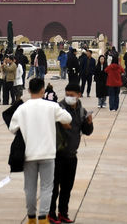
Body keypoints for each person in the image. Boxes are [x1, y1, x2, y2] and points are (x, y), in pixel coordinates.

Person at [8, 77, 72, 224]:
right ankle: (43, 217)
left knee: (29, 187)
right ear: (43, 89)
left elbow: (12, 128)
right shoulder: (51, 106)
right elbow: (67, 118)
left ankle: (31, 217)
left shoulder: (22, 108)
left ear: (29, 90)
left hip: (29, 153)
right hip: (48, 153)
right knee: (47, 187)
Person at [48, 82, 93, 224]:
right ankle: (51, 214)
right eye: (67, 95)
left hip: (72, 155)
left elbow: (87, 131)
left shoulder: (81, 111)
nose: (68, 97)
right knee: (54, 187)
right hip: (57, 155)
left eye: (71, 95)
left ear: (79, 95)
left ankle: (63, 213)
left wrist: (89, 123)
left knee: (67, 187)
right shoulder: (58, 108)